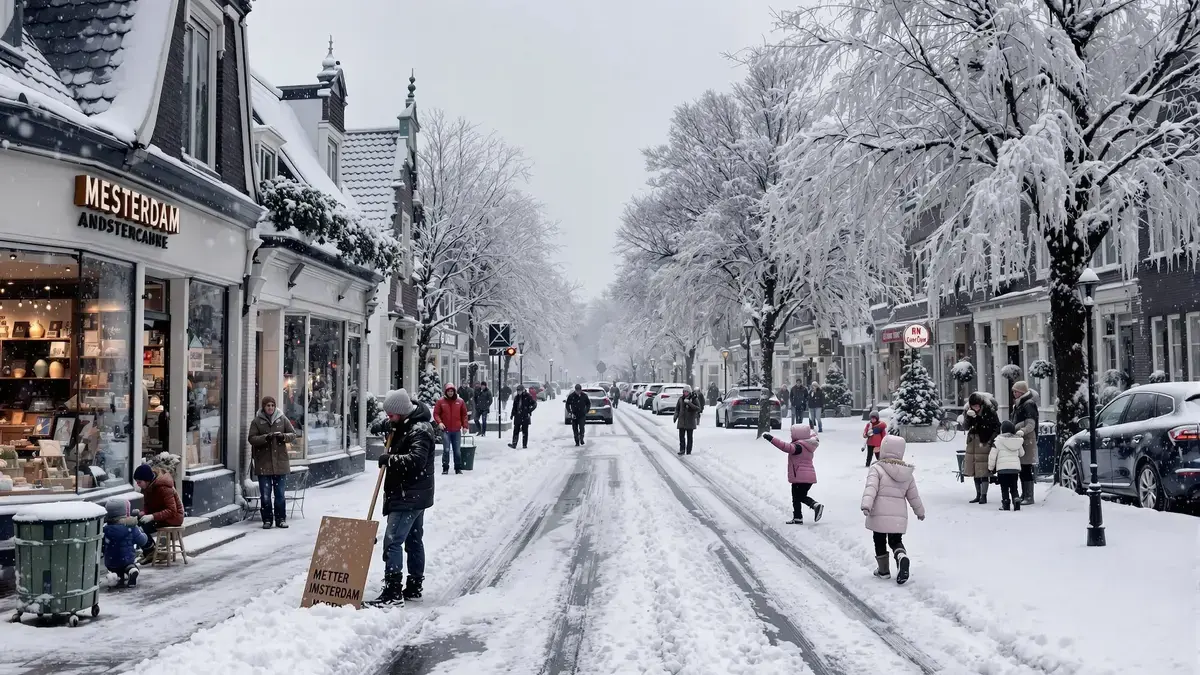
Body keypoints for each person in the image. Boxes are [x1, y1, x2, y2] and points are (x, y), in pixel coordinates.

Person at [366, 389, 435, 607]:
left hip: (409, 496)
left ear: (402, 411)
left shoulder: (420, 430)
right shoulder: (404, 423)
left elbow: (417, 460)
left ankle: (393, 592)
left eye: (391, 415)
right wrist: (381, 426)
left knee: (393, 541)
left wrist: (390, 459)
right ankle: (414, 587)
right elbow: (390, 424)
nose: (389, 418)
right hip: (413, 494)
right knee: (413, 540)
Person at [861, 435, 925, 585]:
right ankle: (901, 556)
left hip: (879, 514)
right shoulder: (907, 473)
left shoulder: (877, 468)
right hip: (898, 516)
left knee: (879, 540)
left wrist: (866, 505)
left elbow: (871, 488)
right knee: (895, 541)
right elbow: (913, 496)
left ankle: (883, 570)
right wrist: (920, 512)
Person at [247, 396, 297, 529]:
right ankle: (267, 520)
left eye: (272, 405)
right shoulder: (257, 421)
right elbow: (251, 438)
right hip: (264, 463)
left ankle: (281, 519)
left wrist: (283, 436)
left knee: (280, 494)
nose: (270, 408)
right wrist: (265, 438)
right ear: (264, 407)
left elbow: (293, 434)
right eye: (268, 405)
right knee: (265, 495)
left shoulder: (282, 419)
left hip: (280, 463)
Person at [763, 423, 824, 525]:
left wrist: (771, 439)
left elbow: (785, 447)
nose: (791, 435)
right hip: (807, 477)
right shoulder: (808, 444)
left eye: (793, 433)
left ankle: (815, 505)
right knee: (797, 497)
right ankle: (797, 517)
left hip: (800, 477)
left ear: (798, 434)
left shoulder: (798, 447)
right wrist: (811, 430)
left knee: (798, 497)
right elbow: (814, 434)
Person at [133, 463, 183, 563]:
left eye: (139, 482)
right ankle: (150, 551)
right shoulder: (147, 488)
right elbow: (148, 505)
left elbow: (172, 511)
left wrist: (152, 516)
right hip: (160, 516)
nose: (138, 484)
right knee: (135, 524)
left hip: (173, 518)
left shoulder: (164, 488)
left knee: (142, 528)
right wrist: (144, 513)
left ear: (147, 480)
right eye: (137, 482)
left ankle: (151, 551)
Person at [963, 392, 1001, 504]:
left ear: (981, 404)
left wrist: (990, 441)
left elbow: (994, 427)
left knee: (983, 470)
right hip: (973, 443)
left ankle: (983, 495)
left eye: (977, 406)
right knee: (975, 469)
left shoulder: (989, 412)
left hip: (984, 442)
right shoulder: (969, 411)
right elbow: (965, 427)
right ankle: (978, 494)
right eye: (973, 406)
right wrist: (968, 417)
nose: (975, 408)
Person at [102, 497, 146, 587]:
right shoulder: (131, 527)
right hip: (127, 559)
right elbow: (142, 541)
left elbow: (101, 544)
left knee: (114, 568)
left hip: (111, 561)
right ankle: (131, 570)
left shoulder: (105, 529)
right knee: (130, 566)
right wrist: (143, 533)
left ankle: (114, 575)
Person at [1010, 381, 1039, 505]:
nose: (1014, 393)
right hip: (1021, 439)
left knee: (1026, 468)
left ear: (1022, 392)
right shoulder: (1019, 404)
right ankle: (1025, 494)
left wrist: (1021, 430)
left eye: (1016, 391)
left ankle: (1029, 496)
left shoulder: (1028, 404)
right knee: (1022, 468)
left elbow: (1031, 424)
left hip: (1027, 440)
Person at [433, 383, 469, 475]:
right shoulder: (440, 402)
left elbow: (464, 415)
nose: (450, 393)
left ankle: (458, 468)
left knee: (457, 451)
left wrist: (465, 426)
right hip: (446, 430)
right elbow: (436, 413)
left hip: (456, 431)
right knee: (446, 450)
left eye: (452, 391)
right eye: (448, 391)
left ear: (454, 392)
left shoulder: (460, 402)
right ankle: (445, 467)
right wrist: (439, 422)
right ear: (446, 392)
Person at [989, 420, 1026, 511]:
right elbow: (1022, 453)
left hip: (1002, 470)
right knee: (1014, 487)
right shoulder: (1017, 441)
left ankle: (1006, 503)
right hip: (1014, 469)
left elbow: (992, 456)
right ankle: (1016, 499)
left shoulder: (998, 441)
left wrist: (990, 468)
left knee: (1004, 487)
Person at [673, 386, 701, 455]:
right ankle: (682, 449)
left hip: (690, 421)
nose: (685, 393)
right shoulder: (680, 399)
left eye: (687, 391)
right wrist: (675, 416)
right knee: (681, 437)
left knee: (689, 437)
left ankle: (689, 451)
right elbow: (677, 409)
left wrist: (689, 403)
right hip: (681, 421)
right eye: (684, 391)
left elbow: (698, 408)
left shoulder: (694, 399)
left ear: (689, 392)